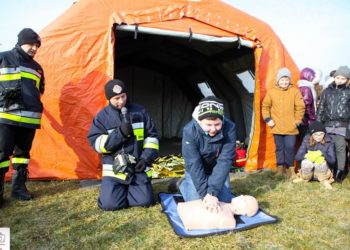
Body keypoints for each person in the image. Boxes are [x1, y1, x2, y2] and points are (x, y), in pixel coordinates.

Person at [87, 79, 159, 211]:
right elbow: (97, 144)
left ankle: (133, 190)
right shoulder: (102, 117)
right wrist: (120, 133)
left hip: (137, 167)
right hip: (115, 169)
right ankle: (114, 192)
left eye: (123, 96)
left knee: (144, 202)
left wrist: (145, 159)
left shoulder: (140, 111)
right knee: (110, 205)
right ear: (109, 99)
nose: (121, 101)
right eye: (116, 98)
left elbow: (152, 138)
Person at [0, 28, 45, 205]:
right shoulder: (3, 58)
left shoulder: (37, 68)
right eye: (31, 44)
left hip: (29, 119)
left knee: (23, 154)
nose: (34, 48)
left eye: (37, 46)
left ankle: (18, 188)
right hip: (5, 117)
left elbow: (40, 90)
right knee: (2, 154)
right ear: (20, 42)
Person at [179, 96, 236, 212]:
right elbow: (193, 163)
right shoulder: (189, 130)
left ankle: (212, 188)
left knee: (224, 201)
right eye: (208, 125)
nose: (213, 129)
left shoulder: (230, 128)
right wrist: (205, 194)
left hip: (217, 168)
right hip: (196, 169)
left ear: (222, 120)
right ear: (200, 121)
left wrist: (212, 192)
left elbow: (225, 160)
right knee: (196, 203)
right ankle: (181, 184)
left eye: (217, 124)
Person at [262, 67, 305, 177]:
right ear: (278, 80)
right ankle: (280, 169)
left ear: (289, 80)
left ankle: (290, 169)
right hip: (276, 126)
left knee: (290, 147)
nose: (284, 82)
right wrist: (268, 119)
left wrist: (297, 121)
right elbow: (265, 106)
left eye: (286, 80)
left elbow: (300, 107)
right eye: (282, 80)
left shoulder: (295, 92)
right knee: (279, 148)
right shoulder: (271, 92)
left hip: (291, 127)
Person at [317, 66, 350, 183]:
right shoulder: (326, 91)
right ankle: (328, 171)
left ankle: (339, 173)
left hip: (342, 125)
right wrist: (318, 125)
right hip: (328, 124)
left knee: (340, 148)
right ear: (334, 78)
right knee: (328, 147)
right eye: (337, 78)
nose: (339, 80)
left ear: (347, 80)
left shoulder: (348, 92)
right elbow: (321, 108)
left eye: (342, 78)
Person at [177, 195, 259, 230]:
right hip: (183, 208)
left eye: (244, 198)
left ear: (242, 212)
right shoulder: (224, 203)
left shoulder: (229, 220)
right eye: (243, 195)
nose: (241, 195)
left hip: (187, 218)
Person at [293, 121, 336, 189]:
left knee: (320, 162)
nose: (318, 137)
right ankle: (305, 178)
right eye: (316, 134)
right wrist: (306, 155)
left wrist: (323, 154)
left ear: (324, 133)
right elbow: (297, 157)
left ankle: (324, 181)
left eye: (321, 134)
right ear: (311, 134)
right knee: (306, 162)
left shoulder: (329, 141)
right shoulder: (306, 140)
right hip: (308, 171)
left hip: (322, 171)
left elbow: (332, 161)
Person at [297, 67, 317, 140]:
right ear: (309, 75)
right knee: (308, 142)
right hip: (306, 120)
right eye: (313, 76)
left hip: (303, 120)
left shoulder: (301, 87)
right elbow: (306, 105)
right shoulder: (306, 88)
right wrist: (313, 118)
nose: (315, 78)